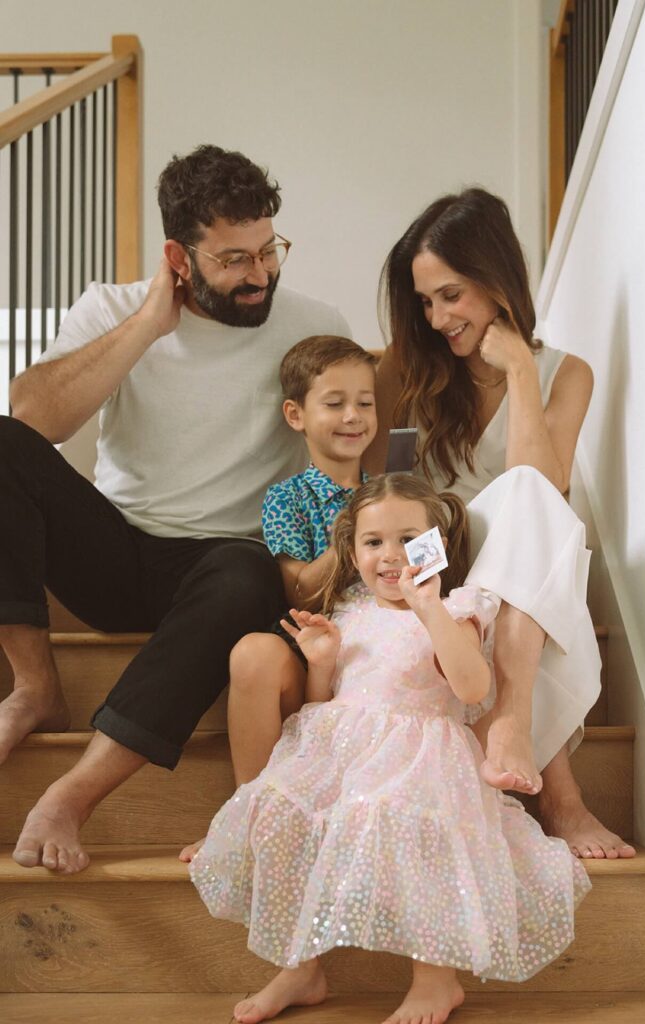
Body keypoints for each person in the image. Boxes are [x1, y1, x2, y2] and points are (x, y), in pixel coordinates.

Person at [0, 144, 349, 875]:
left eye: (268, 249)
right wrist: (149, 327)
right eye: (232, 259)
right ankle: (35, 687)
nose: (259, 275)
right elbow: (34, 416)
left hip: (230, 569)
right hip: (119, 553)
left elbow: (350, 432)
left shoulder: (313, 323)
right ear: (178, 256)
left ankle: (73, 793)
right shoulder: (114, 309)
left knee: (244, 570)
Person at [189, 474, 591, 1024]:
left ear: (436, 547)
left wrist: (429, 607)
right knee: (282, 810)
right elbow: (320, 703)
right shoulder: (350, 611)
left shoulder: (457, 610)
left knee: (408, 822)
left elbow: (473, 688)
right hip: (339, 748)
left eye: (408, 539)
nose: (391, 555)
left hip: (421, 755)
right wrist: (323, 662)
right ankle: (299, 964)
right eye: (374, 542)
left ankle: (436, 977)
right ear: (352, 554)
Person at [364, 187, 635, 859]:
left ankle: (514, 725)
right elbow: (373, 485)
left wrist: (518, 369)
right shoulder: (409, 364)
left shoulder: (564, 373)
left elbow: (542, 486)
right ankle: (559, 794)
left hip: (517, 561)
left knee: (534, 510)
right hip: (432, 551)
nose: (436, 317)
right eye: (425, 301)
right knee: (541, 539)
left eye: (450, 295)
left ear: (495, 279)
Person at [179, 332, 377, 862]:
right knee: (252, 652)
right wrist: (354, 525)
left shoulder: (397, 491)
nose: (353, 416)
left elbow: (427, 578)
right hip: (311, 650)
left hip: (380, 657)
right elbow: (299, 590)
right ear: (296, 415)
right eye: (334, 403)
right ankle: (253, 813)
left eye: (365, 402)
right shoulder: (287, 498)